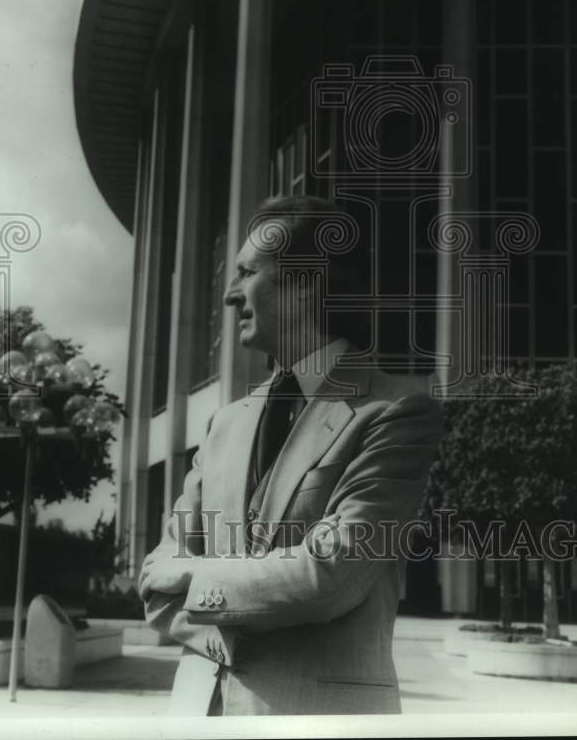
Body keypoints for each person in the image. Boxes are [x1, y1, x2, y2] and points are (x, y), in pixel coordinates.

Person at [138, 195, 442, 716]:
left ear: (304, 283)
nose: (231, 295)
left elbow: (331, 576)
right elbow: (152, 580)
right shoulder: (224, 424)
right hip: (195, 716)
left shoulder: (397, 410)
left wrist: (195, 579)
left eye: (246, 272)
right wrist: (220, 608)